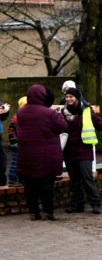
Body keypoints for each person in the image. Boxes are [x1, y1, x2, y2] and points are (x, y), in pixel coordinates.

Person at [16, 85, 69, 220]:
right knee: (47, 185)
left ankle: (33, 212)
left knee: (29, 186)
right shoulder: (49, 113)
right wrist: (58, 115)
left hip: (26, 156)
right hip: (46, 156)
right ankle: (48, 212)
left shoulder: (21, 112)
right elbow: (63, 127)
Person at [60, 87, 102, 214]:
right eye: (67, 97)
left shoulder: (87, 110)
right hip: (69, 151)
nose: (68, 99)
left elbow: (101, 125)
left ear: (77, 98)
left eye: (71, 97)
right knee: (74, 181)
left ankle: (95, 203)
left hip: (84, 150)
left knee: (87, 178)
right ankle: (77, 205)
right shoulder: (62, 112)